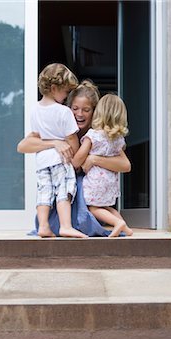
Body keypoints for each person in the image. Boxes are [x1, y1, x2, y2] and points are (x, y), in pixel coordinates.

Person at [17, 79, 131, 236]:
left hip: (86, 184)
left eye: (86, 110)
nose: (79, 114)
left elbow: (125, 165)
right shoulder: (60, 127)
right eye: (75, 108)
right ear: (68, 109)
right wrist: (55, 143)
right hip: (65, 182)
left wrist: (94, 159)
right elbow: (23, 145)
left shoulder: (97, 133)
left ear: (95, 111)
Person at [29, 63, 87, 239]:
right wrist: (75, 159)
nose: (66, 96)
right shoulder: (63, 112)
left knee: (44, 192)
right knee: (64, 192)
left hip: (42, 161)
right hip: (61, 159)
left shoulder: (35, 110)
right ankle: (66, 226)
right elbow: (71, 139)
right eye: (65, 92)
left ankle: (44, 226)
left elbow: (37, 136)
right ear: (54, 88)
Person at [72, 94, 133, 238]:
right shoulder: (118, 139)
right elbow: (120, 157)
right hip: (111, 181)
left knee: (93, 208)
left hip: (95, 182)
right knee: (106, 207)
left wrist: (75, 161)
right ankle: (125, 227)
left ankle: (118, 224)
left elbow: (79, 159)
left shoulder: (93, 135)